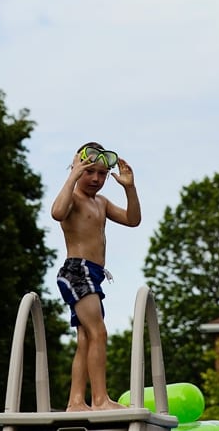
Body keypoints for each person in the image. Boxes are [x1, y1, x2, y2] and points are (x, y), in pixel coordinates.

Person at [52, 142, 141, 412]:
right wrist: (72, 176)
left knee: (86, 338)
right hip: (77, 270)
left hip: (93, 274)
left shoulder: (100, 202)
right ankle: (100, 400)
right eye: (90, 172)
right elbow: (57, 212)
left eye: (102, 174)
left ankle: (76, 401)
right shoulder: (74, 199)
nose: (96, 179)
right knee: (98, 332)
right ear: (78, 169)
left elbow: (132, 219)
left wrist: (130, 188)